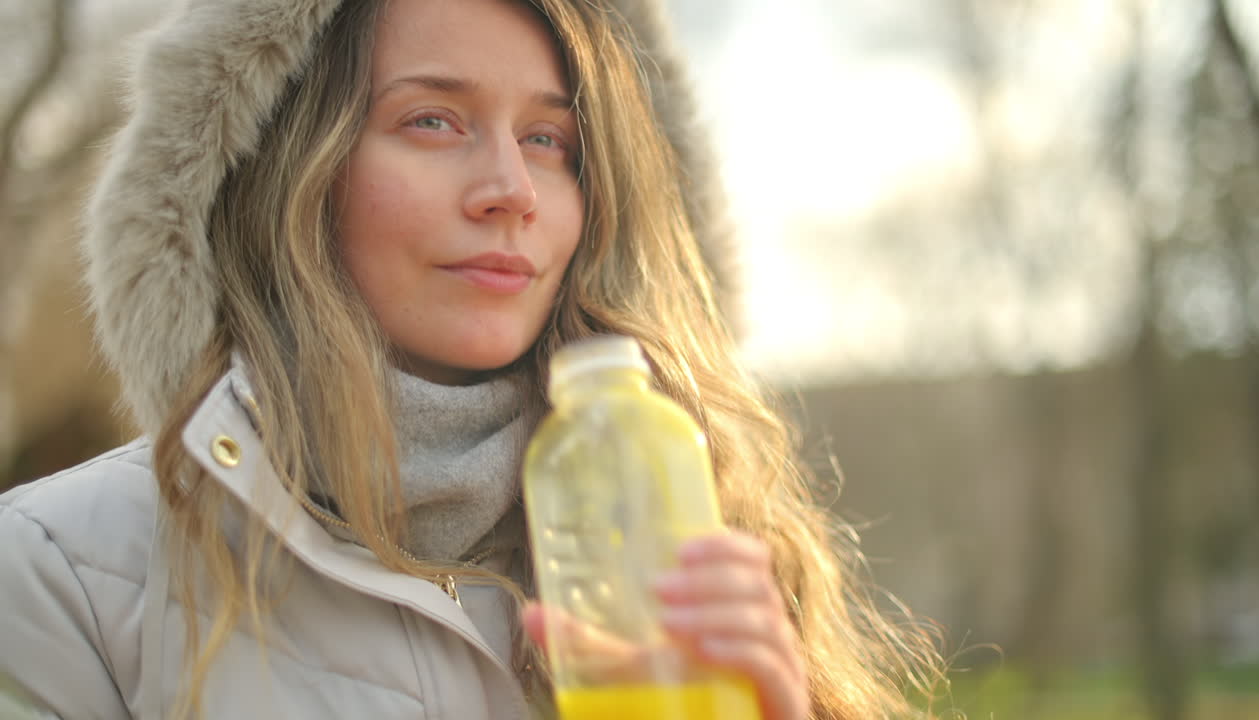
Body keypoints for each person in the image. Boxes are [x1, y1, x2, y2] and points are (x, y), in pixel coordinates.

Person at [0, 0, 943, 718]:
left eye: (549, 139)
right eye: (434, 121)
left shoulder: (703, 532)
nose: (511, 191)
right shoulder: (56, 572)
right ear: (290, 172)